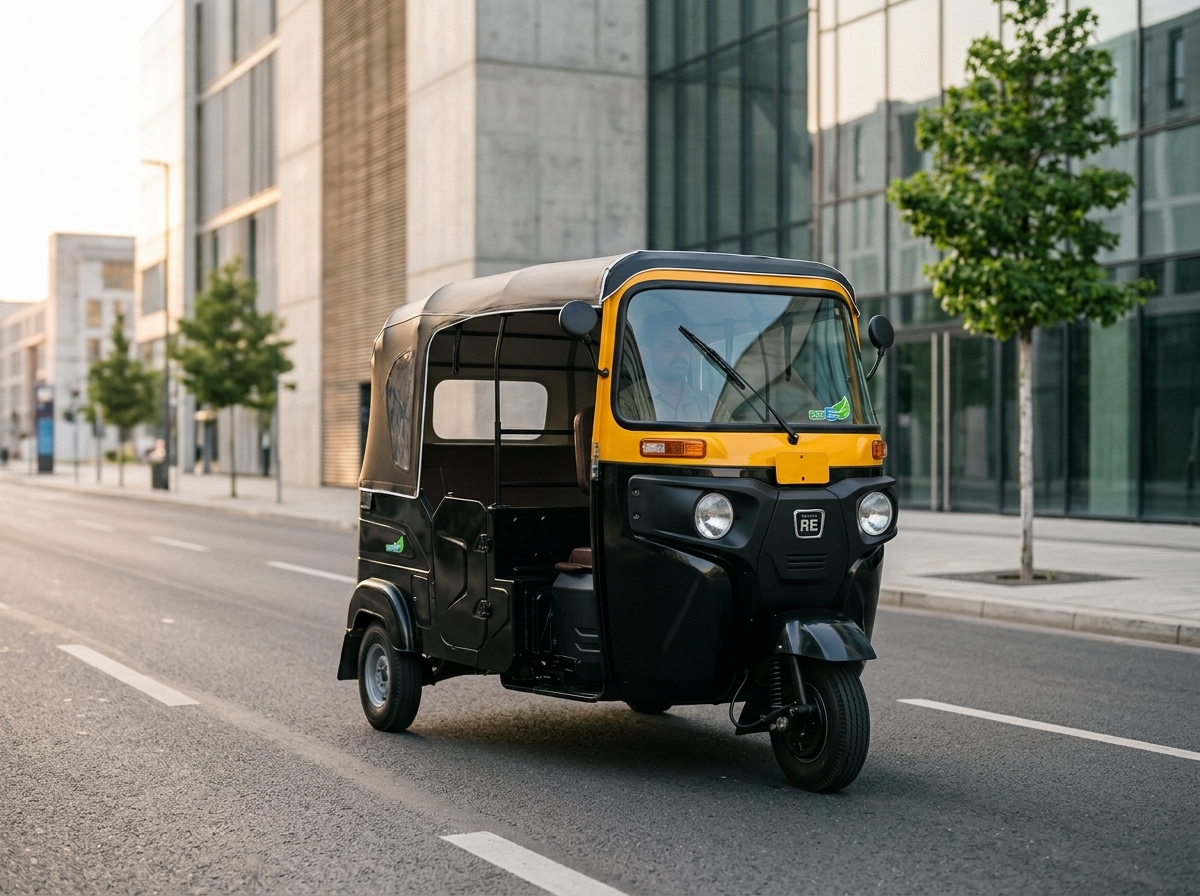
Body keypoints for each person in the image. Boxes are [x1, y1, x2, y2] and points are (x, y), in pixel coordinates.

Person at [619, 311, 724, 423]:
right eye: (668, 345)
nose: (679, 353)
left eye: (684, 345)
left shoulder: (708, 403)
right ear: (645, 352)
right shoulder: (627, 401)